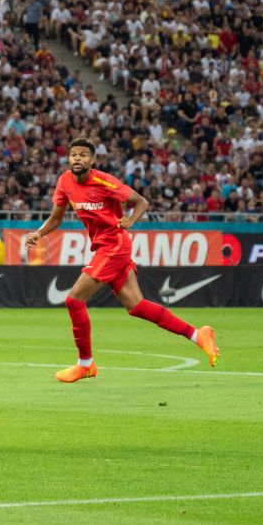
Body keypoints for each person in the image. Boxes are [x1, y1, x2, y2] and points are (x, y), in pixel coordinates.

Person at [25, 137, 220, 383]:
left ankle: (85, 363)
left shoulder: (104, 181)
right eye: (73, 154)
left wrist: (131, 219)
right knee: (136, 306)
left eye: (83, 155)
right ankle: (198, 334)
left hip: (113, 246)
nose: (77, 158)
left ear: (92, 160)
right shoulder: (64, 181)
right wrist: (38, 233)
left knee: (74, 300)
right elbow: (56, 217)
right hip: (106, 247)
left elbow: (141, 201)